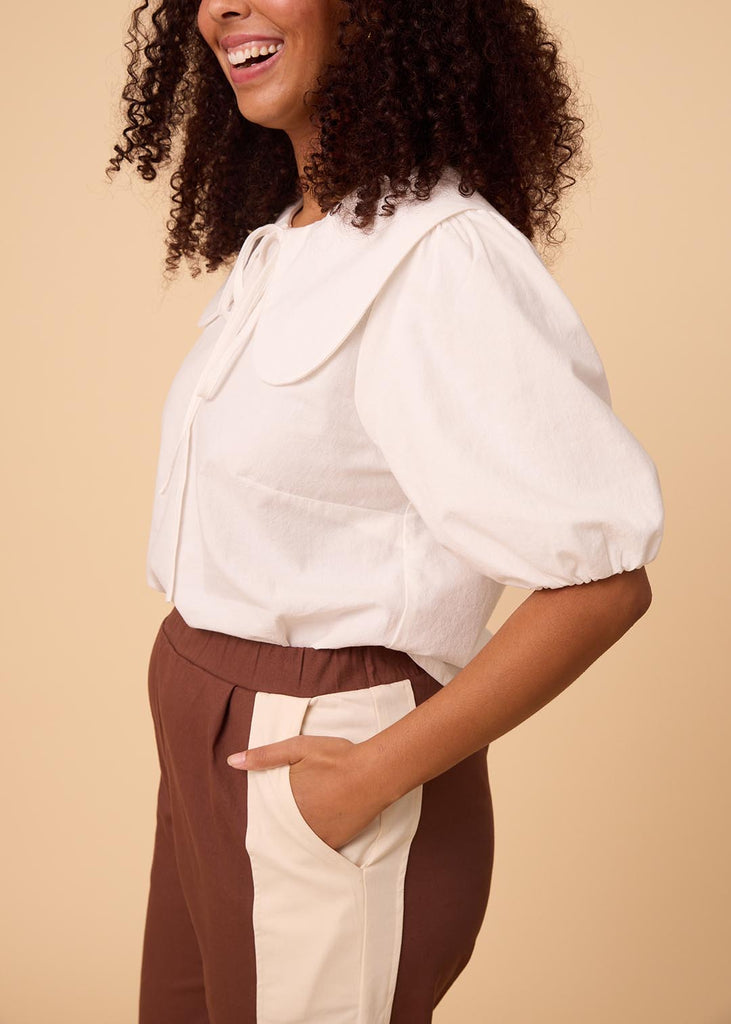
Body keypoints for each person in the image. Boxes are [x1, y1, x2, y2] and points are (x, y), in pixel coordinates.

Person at [107, 0, 665, 1021]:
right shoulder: (287, 242)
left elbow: (600, 582)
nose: (224, 6)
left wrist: (364, 779)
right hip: (205, 725)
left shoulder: (438, 256)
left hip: (313, 746)